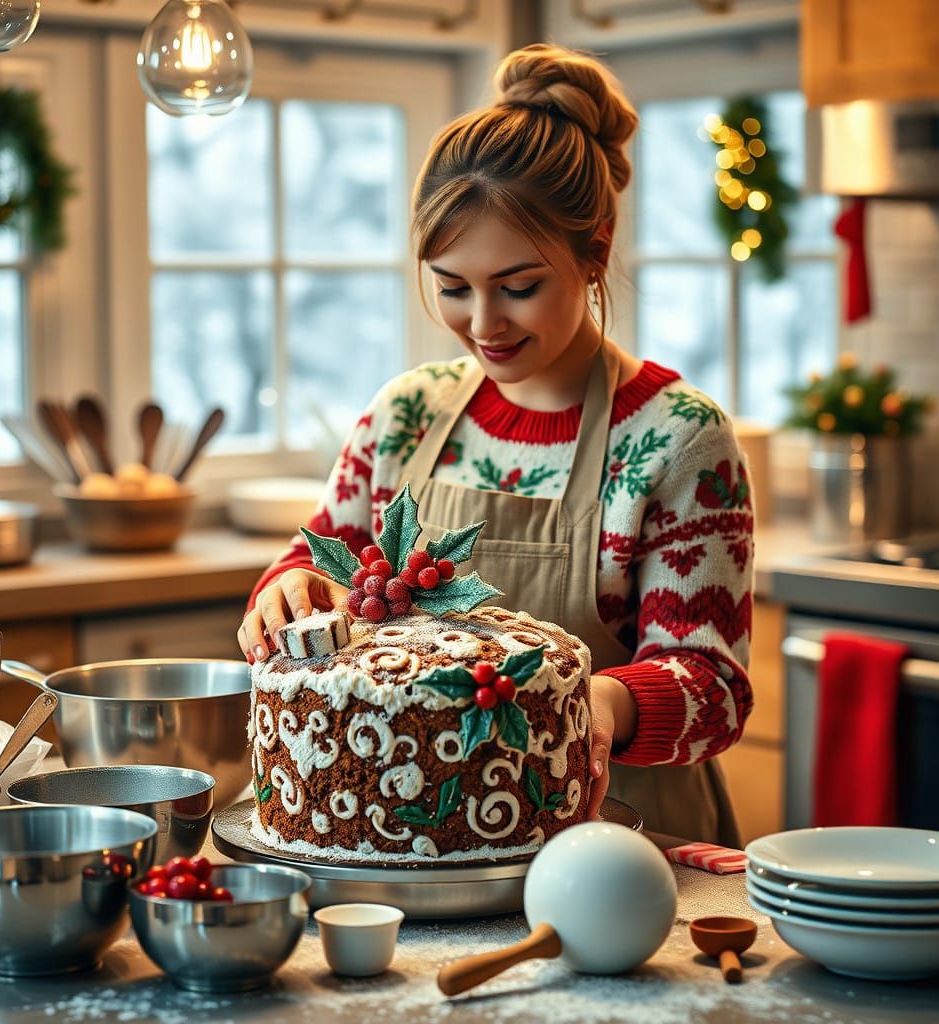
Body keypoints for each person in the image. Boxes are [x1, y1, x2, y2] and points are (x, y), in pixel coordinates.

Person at [238, 43, 754, 846]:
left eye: (519, 287)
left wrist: (587, 706)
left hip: (624, 842)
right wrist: (290, 586)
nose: (484, 324)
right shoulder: (405, 415)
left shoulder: (678, 438)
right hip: (415, 840)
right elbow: (322, 559)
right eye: (452, 286)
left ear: (596, 250)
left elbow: (714, 687)